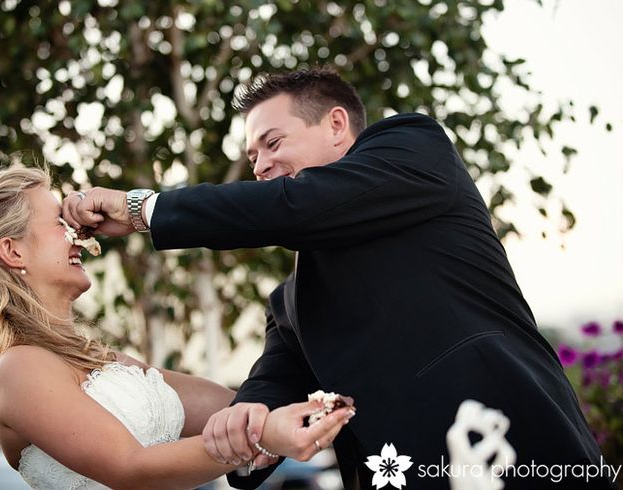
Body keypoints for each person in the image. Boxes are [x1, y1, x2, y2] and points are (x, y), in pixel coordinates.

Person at [62, 68, 614, 489]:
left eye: (272, 144)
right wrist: (246, 422)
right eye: (251, 156)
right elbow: (272, 383)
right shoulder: (290, 303)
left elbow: (296, 205)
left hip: (513, 447)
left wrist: (143, 209)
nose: (259, 166)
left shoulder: (415, 150)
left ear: (336, 124)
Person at [0, 165, 355, 490]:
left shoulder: (102, 361)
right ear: (12, 251)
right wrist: (260, 437)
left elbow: (234, 406)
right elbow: (130, 467)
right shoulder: (17, 370)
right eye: (58, 223)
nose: (77, 233)